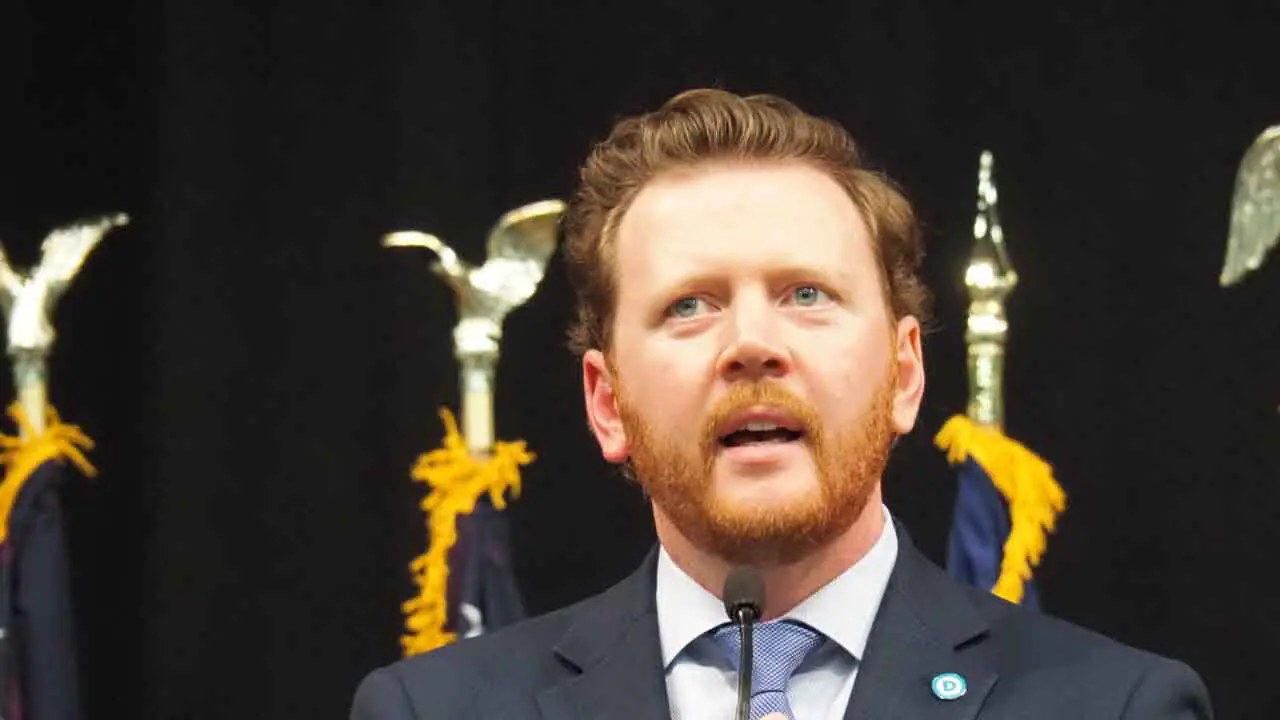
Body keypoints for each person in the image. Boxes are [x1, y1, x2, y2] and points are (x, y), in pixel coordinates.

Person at [349, 88, 1213, 719]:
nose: (752, 344)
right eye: (689, 305)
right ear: (606, 405)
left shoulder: (1119, 705)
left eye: (806, 294)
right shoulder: (431, 709)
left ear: (905, 375)